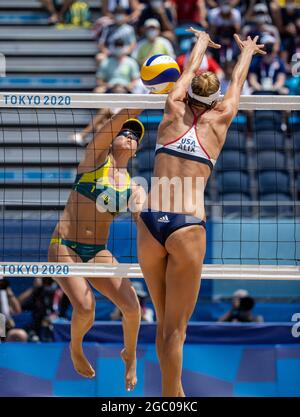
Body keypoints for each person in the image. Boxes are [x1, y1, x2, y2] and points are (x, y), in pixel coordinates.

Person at [137, 29, 265, 397]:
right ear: (215, 99)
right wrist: (246, 52)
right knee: (176, 330)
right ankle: (171, 399)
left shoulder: (173, 106)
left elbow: (187, 72)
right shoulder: (221, 117)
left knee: (165, 326)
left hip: (150, 222)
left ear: (188, 90)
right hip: (186, 226)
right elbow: (238, 80)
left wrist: (200, 42)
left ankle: (171, 394)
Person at [48, 109, 146, 391]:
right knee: (86, 308)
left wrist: (145, 221)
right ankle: (75, 346)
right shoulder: (95, 160)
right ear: (112, 139)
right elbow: (113, 123)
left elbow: (142, 217)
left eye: (134, 136)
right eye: (124, 133)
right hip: (64, 245)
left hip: (96, 250)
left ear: (137, 151)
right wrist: (142, 100)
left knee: (132, 307)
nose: (129, 136)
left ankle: (130, 356)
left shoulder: (134, 187)